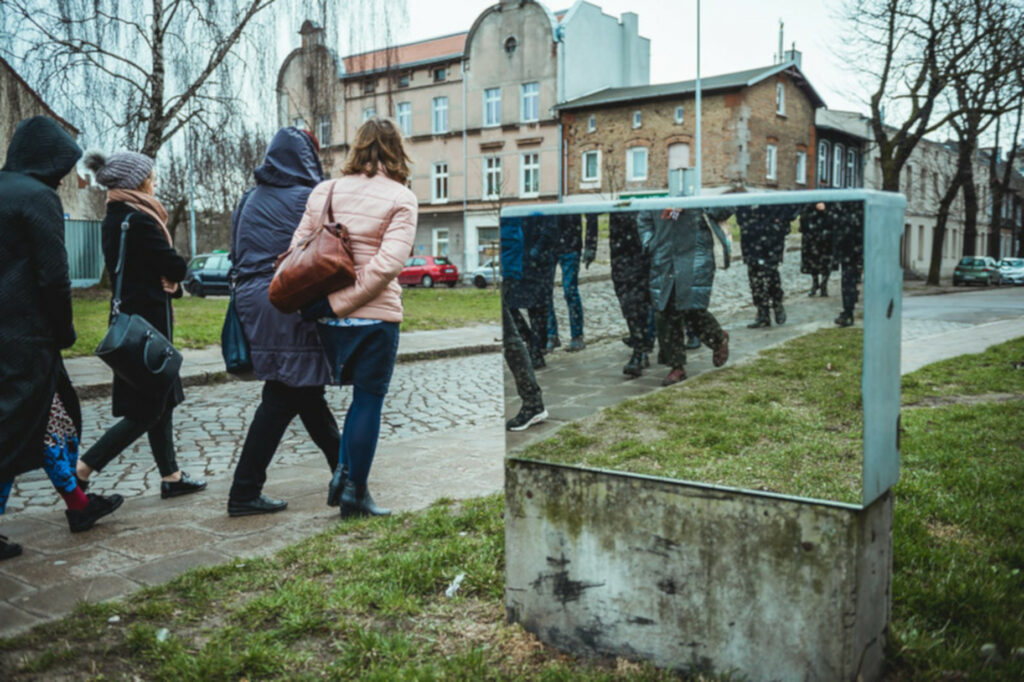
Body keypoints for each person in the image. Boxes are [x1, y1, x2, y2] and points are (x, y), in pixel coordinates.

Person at [1, 117, 124, 559]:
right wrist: (64, 331)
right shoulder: (38, 199)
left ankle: (79, 505)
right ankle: (78, 506)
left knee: (50, 422)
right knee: (12, 429)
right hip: (26, 338)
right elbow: (54, 277)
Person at [294, 117, 417, 519]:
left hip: (329, 321)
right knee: (367, 401)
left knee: (357, 405)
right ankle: (355, 493)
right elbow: (386, 266)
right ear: (396, 150)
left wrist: (328, 305)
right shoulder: (401, 197)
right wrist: (343, 302)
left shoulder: (325, 190)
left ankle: (343, 475)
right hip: (375, 318)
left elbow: (299, 252)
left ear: (357, 148)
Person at [75, 150, 207, 499]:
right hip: (146, 328)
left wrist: (171, 284)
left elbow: (147, 271)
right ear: (137, 182)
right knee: (147, 409)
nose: (156, 180)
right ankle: (83, 470)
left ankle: (172, 477)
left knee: (160, 400)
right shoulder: (140, 220)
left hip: (134, 321)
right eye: (151, 175)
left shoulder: (116, 216)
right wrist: (176, 277)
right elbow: (174, 266)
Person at [225, 128, 342, 517]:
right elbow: (329, 246)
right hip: (289, 299)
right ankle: (243, 491)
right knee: (282, 396)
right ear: (307, 157)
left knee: (304, 392)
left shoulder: (248, 198)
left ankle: (345, 473)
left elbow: (234, 252)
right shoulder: (311, 196)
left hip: (254, 303)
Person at [637, 207, 731, 386]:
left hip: (695, 255)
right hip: (664, 257)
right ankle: (676, 366)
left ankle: (718, 337)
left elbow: (724, 210)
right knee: (664, 311)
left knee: (691, 307)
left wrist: (696, 202)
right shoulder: (657, 194)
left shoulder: (696, 186)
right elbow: (644, 218)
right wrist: (650, 241)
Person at [501, 216, 548, 431]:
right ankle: (532, 401)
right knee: (509, 333)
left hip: (506, 267)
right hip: (506, 265)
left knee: (509, 336)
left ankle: (533, 402)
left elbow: (509, 234)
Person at [736, 203, 801, 328]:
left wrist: (779, 221)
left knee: (771, 273)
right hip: (750, 235)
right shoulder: (745, 193)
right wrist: (743, 220)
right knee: (754, 276)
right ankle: (762, 313)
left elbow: (792, 206)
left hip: (772, 236)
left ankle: (777, 302)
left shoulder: (774, 195)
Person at [506, 215, 557, 369]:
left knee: (538, 310)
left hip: (539, 264)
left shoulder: (544, 209)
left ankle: (536, 350)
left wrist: (536, 251)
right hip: (520, 263)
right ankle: (529, 339)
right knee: (509, 306)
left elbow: (550, 230)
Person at [609, 211, 655, 376]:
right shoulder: (617, 208)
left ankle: (640, 349)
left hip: (644, 259)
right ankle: (641, 345)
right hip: (622, 261)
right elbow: (614, 239)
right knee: (630, 308)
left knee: (641, 306)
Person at [545, 213, 597, 353]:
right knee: (545, 291)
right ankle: (551, 335)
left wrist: (590, 246)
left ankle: (577, 335)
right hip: (548, 245)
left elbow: (592, 216)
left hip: (570, 245)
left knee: (570, 291)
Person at [831, 202, 865, 327]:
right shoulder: (841, 208)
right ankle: (848, 311)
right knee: (848, 282)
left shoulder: (857, 208)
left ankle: (849, 311)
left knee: (849, 281)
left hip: (855, 249)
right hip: (849, 250)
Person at [800, 202, 835, 297]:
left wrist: (825, 211)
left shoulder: (831, 200)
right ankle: (815, 284)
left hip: (827, 236)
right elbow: (803, 216)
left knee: (826, 262)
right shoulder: (809, 202)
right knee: (812, 261)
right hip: (811, 236)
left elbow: (834, 218)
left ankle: (824, 285)